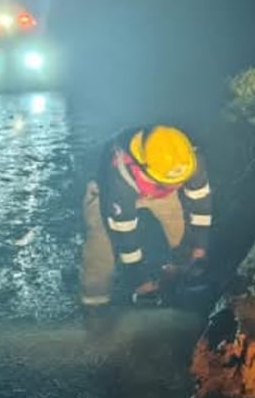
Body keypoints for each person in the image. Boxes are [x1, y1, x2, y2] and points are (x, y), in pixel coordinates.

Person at [79, 124, 213, 308]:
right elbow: (124, 230)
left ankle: (180, 280)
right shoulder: (119, 175)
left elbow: (201, 203)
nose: (179, 183)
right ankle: (95, 305)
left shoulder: (186, 159)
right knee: (102, 247)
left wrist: (200, 246)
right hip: (108, 193)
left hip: (158, 188)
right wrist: (138, 278)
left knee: (182, 231)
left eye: (179, 181)